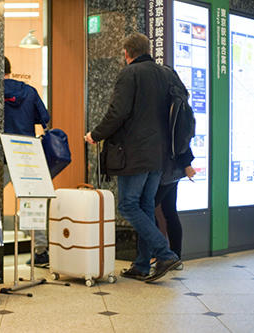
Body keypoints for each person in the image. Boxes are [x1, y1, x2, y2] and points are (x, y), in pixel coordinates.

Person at [84, 32, 181, 282]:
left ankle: (164, 253)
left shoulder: (130, 74)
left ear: (127, 53)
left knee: (128, 205)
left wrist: (95, 134)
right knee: (146, 205)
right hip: (159, 155)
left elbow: (118, 112)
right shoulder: (165, 74)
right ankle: (141, 264)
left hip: (135, 154)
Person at [4, 56, 50, 266]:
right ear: (9, 70)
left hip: (2, 152)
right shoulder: (29, 91)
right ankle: (41, 251)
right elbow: (45, 118)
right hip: (26, 152)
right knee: (32, 202)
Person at [154, 147, 196, 270]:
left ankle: (165, 256)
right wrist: (186, 164)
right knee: (170, 211)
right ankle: (175, 257)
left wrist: (187, 164)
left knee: (147, 210)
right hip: (174, 169)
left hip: (167, 169)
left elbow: (180, 141)